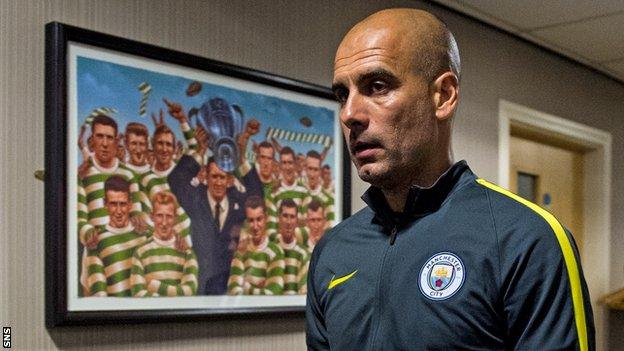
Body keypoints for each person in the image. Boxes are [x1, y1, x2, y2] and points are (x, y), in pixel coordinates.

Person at [306, 8, 594, 350]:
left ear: (443, 95)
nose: (350, 113)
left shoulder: (526, 239)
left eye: (377, 86)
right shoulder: (333, 250)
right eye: (343, 94)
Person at [82, 176, 147, 296]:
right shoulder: (95, 241)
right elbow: (89, 291)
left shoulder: (145, 234)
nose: (118, 211)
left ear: (130, 204)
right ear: (105, 203)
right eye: (113, 204)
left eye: (122, 204)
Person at [130, 191, 198, 297]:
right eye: (160, 216)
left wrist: (155, 286)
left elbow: (189, 291)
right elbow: (138, 293)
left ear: (175, 218)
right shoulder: (140, 252)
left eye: (169, 216)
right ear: (152, 216)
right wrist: (170, 297)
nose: (164, 222)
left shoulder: (187, 252)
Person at [227, 195, 285, 295]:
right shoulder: (241, 251)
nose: (255, 226)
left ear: (266, 218)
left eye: (259, 219)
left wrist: (247, 287)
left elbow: (272, 293)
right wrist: (259, 288)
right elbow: (233, 291)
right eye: (251, 220)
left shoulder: (276, 252)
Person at [272, 199, 308, 295]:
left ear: (296, 221)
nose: (288, 222)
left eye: (292, 217)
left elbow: (303, 292)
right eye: (285, 216)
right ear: (278, 218)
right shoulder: (271, 249)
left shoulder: (303, 254)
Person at [301, 150, 334, 227]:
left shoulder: (328, 199)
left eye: (315, 170)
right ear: (305, 169)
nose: (312, 174)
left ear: (320, 171)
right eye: (310, 169)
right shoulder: (298, 194)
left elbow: (330, 227)